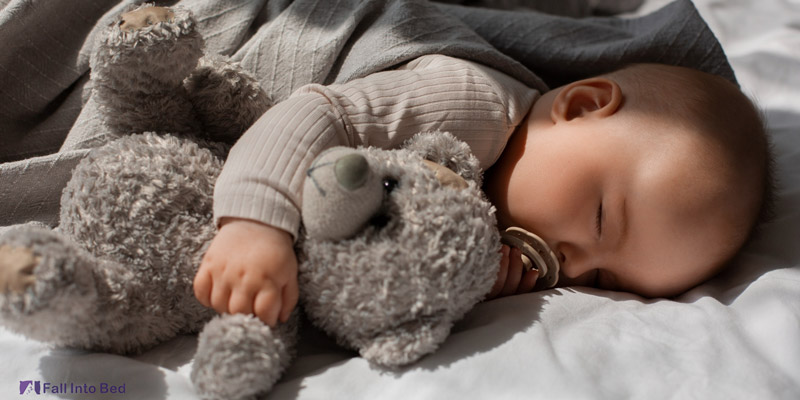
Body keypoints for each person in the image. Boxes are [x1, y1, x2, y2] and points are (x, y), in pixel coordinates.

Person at [193, 54, 771, 326]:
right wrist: (254, 224)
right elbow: (314, 117)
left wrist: (469, 282)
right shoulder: (470, 106)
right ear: (582, 106)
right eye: (599, 219)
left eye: (603, 279)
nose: (570, 264)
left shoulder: (501, 228)